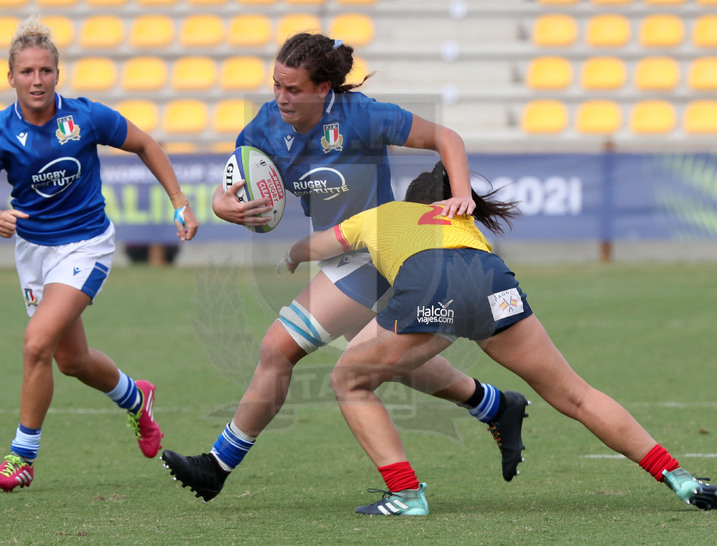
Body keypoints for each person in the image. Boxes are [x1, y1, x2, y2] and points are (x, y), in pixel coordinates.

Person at [161, 33, 528, 501]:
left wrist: (459, 193)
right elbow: (236, 184)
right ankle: (493, 405)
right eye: (276, 85)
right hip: (341, 253)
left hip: (375, 253)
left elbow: (444, 137)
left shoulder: (361, 116)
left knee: (279, 347)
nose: (280, 97)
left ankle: (218, 464)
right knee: (387, 362)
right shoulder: (264, 128)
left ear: (323, 89)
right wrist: (220, 205)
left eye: (293, 89)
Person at [282, 160, 717, 515]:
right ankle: (680, 477)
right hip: (491, 281)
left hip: (431, 285)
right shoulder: (461, 220)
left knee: (349, 379)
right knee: (575, 394)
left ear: (413, 201)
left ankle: (405, 495)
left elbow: (318, 246)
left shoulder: (383, 215)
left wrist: (291, 252)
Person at [0, 15, 199, 492]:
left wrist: (180, 201)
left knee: (36, 344)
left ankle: (21, 457)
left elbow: (145, 143)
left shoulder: (85, 117)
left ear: (57, 73)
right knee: (70, 361)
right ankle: (136, 398)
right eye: (27, 72)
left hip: (86, 245)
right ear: (10, 76)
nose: (37, 80)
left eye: (46, 71)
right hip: (34, 252)